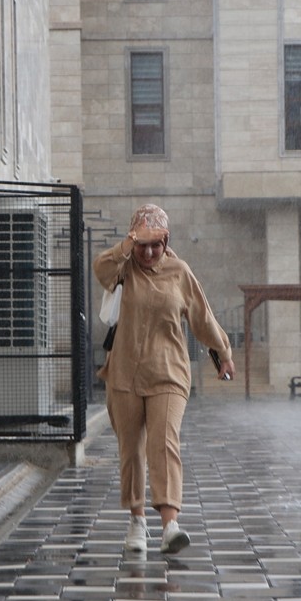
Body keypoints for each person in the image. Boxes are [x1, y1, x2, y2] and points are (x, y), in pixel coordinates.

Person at [94, 204, 235, 554]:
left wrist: (223, 351)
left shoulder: (179, 271)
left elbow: (202, 317)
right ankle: (137, 521)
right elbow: (100, 268)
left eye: (155, 244)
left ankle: (170, 525)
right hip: (124, 374)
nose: (148, 252)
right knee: (131, 450)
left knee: (164, 442)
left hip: (169, 373)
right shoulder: (122, 267)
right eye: (142, 244)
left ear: (166, 241)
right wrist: (127, 244)